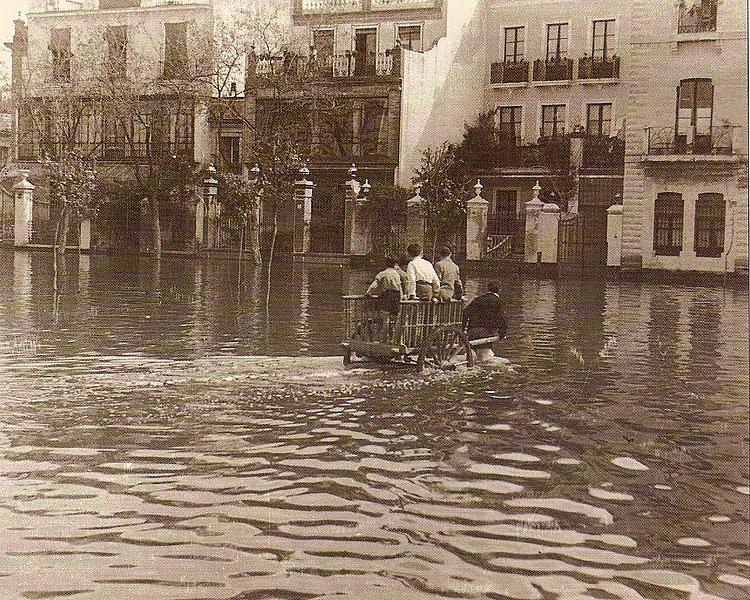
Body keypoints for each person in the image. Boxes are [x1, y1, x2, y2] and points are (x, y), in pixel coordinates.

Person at [463, 281, 507, 362]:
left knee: (472, 357)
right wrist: (502, 334)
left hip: (472, 332)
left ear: (487, 289)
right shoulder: (498, 301)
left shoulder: (478, 299)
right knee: (485, 360)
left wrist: (463, 330)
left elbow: (465, 313)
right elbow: (502, 319)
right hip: (486, 333)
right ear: (499, 290)